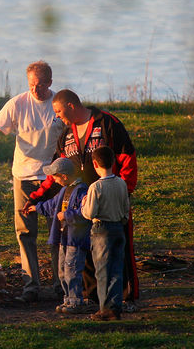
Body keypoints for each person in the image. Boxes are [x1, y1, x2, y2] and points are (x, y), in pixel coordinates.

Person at [23, 89, 139, 307]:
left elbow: (127, 158)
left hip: (111, 202)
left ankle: (126, 298)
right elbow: (57, 173)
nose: (57, 115)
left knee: (117, 249)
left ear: (71, 106)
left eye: (58, 110)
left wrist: (124, 191)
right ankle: (94, 298)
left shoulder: (108, 123)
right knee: (86, 254)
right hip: (83, 207)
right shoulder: (66, 135)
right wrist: (36, 198)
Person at [0, 60, 65, 302]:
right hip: (24, 177)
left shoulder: (59, 104)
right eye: (31, 85)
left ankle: (62, 285)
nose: (35, 90)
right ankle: (31, 288)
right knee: (25, 233)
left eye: (40, 86)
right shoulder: (18, 103)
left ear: (50, 83)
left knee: (58, 231)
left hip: (55, 179)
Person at [25, 157, 90, 314]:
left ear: (65, 176)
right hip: (63, 238)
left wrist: (66, 215)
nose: (53, 180)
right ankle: (67, 299)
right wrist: (36, 207)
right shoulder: (63, 190)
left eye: (55, 176)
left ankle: (76, 301)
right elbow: (51, 205)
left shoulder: (82, 190)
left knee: (72, 270)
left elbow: (85, 212)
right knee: (62, 270)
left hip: (75, 239)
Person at [81, 146, 130, 321]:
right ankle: (115, 307)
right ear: (113, 162)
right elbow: (126, 209)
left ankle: (104, 309)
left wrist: (84, 203)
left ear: (95, 164)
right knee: (117, 270)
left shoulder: (96, 187)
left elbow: (90, 213)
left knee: (102, 271)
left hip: (101, 230)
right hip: (118, 228)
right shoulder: (121, 183)